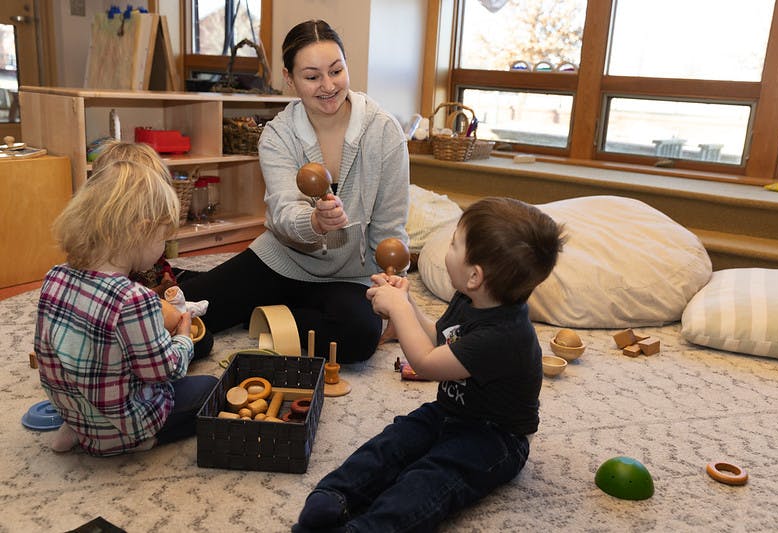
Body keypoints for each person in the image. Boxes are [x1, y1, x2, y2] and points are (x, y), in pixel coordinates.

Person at [293, 197, 565, 532]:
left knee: (430, 479)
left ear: (475, 276)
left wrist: (400, 311)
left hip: (495, 438)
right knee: (392, 443)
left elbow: (426, 363)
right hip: (450, 411)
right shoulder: (470, 298)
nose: (446, 250)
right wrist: (404, 303)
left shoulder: (504, 336)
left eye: (454, 244)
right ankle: (337, 494)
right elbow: (441, 339)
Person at [179, 19, 409, 363]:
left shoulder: (384, 131)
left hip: (351, 276)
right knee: (183, 310)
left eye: (336, 71)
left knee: (358, 338)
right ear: (289, 79)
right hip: (282, 260)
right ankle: (217, 287)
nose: (328, 86)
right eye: (312, 77)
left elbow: (391, 225)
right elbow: (284, 212)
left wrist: (391, 283)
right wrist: (315, 223)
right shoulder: (278, 134)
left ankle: (261, 310)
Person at [33, 159, 218, 456]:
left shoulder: (56, 276)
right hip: (123, 425)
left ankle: (76, 429)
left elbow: (48, 353)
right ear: (141, 232)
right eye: (163, 238)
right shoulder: (134, 299)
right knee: (210, 388)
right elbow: (166, 371)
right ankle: (141, 440)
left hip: (74, 409)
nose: (164, 247)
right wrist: (182, 336)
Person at [91, 140, 214, 359]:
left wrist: (168, 282)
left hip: (157, 288)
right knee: (203, 341)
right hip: (144, 311)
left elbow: (160, 266)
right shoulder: (113, 268)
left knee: (208, 281)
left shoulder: (143, 239)